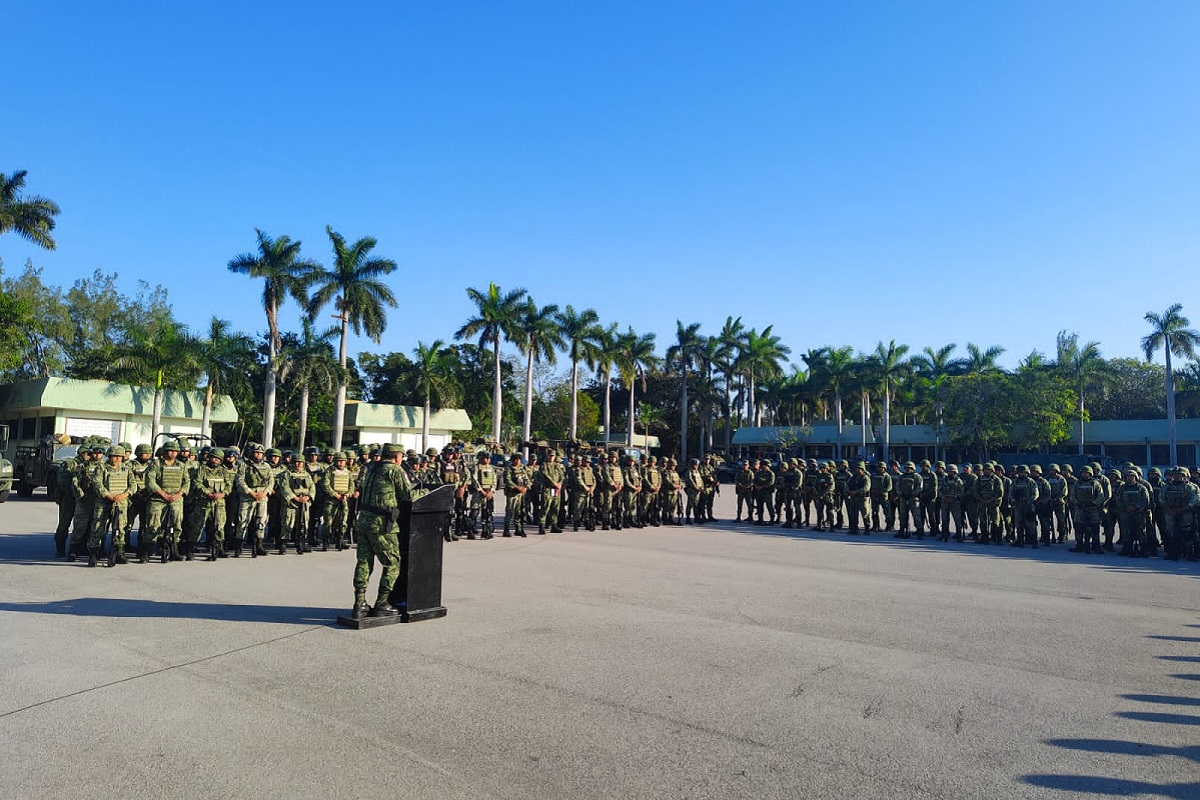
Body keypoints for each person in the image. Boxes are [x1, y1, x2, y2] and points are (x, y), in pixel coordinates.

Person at [351, 443, 413, 619]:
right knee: (392, 563)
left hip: (364, 520)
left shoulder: (372, 468)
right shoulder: (394, 470)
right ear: (396, 456)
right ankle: (382, 603)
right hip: (381, 524)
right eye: (401, 455)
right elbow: (407, 495)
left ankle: (359, 604)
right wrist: (423, 491)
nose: (402, 459)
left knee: (364, 562)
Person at [146, 439, 190, 563]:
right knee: (153, 525)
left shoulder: (181, 465)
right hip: (158, 498)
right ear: (165, 451)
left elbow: (187, 482)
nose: (172, 453)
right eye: (170, 451)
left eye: (175, 451)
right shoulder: (156, 464)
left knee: (177, 524)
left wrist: (179, 494)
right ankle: (146, 551)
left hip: (176, 499)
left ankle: (174, 551)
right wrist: (163, 494)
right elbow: (150, 481)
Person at [91, 445, 133, 567]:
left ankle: (119, 553)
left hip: (121, 502)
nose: (117, 459)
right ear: (109, 456)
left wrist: (124, 495)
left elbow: (133, 485)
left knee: (120, 529)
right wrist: (108, 495)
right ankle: (94, 554)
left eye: (119, 457)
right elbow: (97, 483)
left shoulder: (126, 469)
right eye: (114, 456)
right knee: (98, 528)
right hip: (103, 502)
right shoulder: (101, 468)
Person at [188, 447, 229, 561]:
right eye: (213, 458)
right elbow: (197, 482)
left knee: (219, 526)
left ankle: (219, 548)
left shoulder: (223, 471)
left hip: (219, 503)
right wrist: (207, 493)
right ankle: (191, 549)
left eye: (217, 459)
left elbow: (229, 485)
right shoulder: (202, 469)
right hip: (204, 502)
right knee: (197, 526)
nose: (215, 460)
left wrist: (223, 494)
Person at [321, 451, 355, 550]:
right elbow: (325, 485)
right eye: (339, 461)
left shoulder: (348, 472)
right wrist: (335, 495)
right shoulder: (329, 471)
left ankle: (339, 539)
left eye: (342, 461)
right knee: (328, 521)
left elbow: (352, 485)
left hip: (344, 499)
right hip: (331, 500)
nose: (341, 463)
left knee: (343, 521)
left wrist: (348, 494)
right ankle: (326, 540)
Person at [504, 455, 530, 537]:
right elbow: (508, 481)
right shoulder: (509, 469)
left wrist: (525, 487)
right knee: (510, 511)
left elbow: (527, 479)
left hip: (520, 494)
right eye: (516, 459)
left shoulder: (522, 469)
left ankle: (518, 528)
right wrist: (517, 488)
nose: (518, 461)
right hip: (512, 494)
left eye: (519, 459)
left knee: (519, 512)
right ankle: (506, 529)